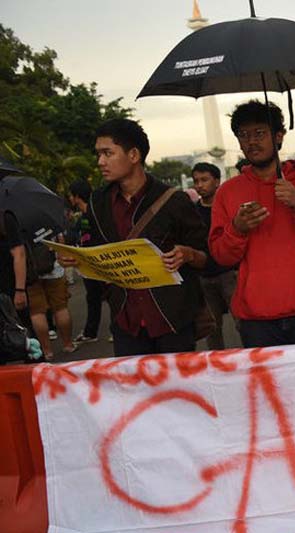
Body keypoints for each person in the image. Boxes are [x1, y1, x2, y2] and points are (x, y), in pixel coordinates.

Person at [59, 118, 208, 357]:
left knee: (177, 392)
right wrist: (77, 258)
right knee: (135, 393)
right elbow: (98, 251)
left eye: (108, 153)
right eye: (98, 154)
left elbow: (207, 257)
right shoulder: (98, 202)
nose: (100, 162)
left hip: (172, 321)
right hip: (125, 322)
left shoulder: (173, 200)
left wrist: (188, 254)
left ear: (134, 154)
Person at [209, 100, 295, 348]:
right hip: (257, 320)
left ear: (279, 136)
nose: (251, 142)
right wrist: (237, 229)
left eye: (260, 133)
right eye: (243, 135)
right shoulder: (227, 193)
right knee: (267, 388)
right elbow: (221, 256)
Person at [192, 162, 238, 350]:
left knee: (243, 321)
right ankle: (219, 368)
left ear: (217, 181)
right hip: (204, 277)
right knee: (212, 329)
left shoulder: (228, 207)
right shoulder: (192, 211)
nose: (199, 185)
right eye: (196, 181)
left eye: (205, 180)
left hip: (229, 273)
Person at [66, 179, 105, 344]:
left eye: (70, 195)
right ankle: (90, 332)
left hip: (101, 264)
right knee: (93, 297)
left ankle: (117, 331)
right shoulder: (82, 216)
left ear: (76, 196)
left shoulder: (96, 214)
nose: (69, 199)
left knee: (112, 296)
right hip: (87, 266)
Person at [26, 258, 76, 360]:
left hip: (30, 273)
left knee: (37, 312)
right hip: (54, 269)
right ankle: (68, 344)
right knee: (61, 308)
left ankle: (46, 350)